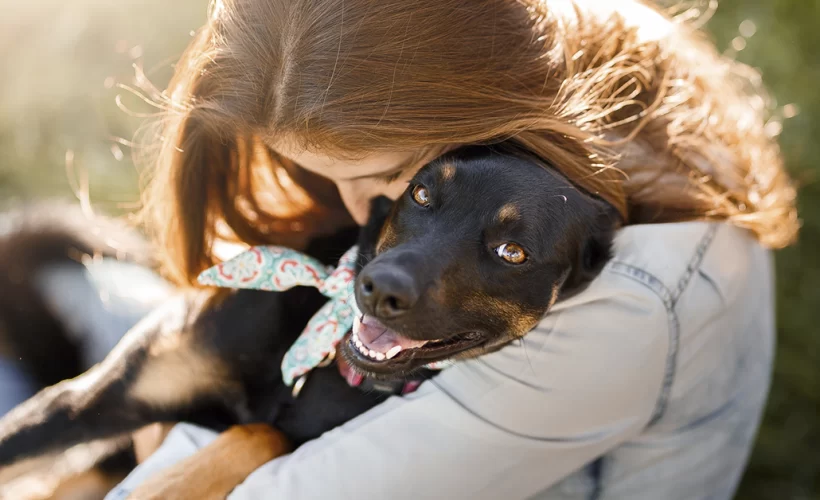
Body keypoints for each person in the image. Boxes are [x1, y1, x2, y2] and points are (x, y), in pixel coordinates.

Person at [106, 0, 798, 498]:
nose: (362, 215)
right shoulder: (555, 46)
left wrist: (173, 415)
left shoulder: (613, 305)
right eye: (325, 175)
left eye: (388, 176)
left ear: (478, 111)